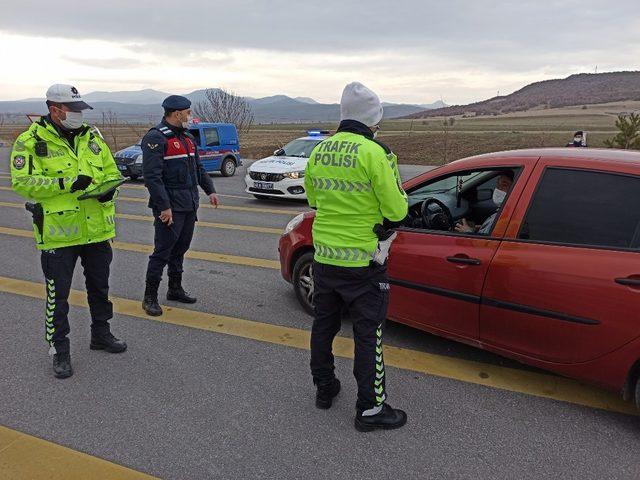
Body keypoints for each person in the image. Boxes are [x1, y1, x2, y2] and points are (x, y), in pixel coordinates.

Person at [304, 82, 409, 432]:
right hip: (364, 263)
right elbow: (397, 209)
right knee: (368, 336)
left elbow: (314, 201)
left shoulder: (319, 151)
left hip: (324, 258)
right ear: (372, 119)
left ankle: (324, 387)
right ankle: (370, 408)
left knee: (323, 325)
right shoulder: (374, 153)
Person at [10, 84, 127, 379]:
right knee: (57, 296)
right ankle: (59, 349)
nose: (79, 115)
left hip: (97, 231)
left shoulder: (93, 137)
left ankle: (101, 333)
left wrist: (107, 194)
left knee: (100, 288)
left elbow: (112, 174)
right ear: (55, 110)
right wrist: (65, 184)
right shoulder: (30, 141)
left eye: (80, 110)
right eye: (73, 110)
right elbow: (21, 183)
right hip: (58, 234)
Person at [141, 95, 219, 316]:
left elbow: (199, 169)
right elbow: (152, 178)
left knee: (180, 249)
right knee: (162, 252)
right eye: (188, 112)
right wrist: (164, 206)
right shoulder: (156, 138)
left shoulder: (186, 139)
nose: (190, 116)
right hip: (170, 206)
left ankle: (175, 289)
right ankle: (150, 297)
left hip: (189, 203)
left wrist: (210, 190)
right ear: (176, 114)